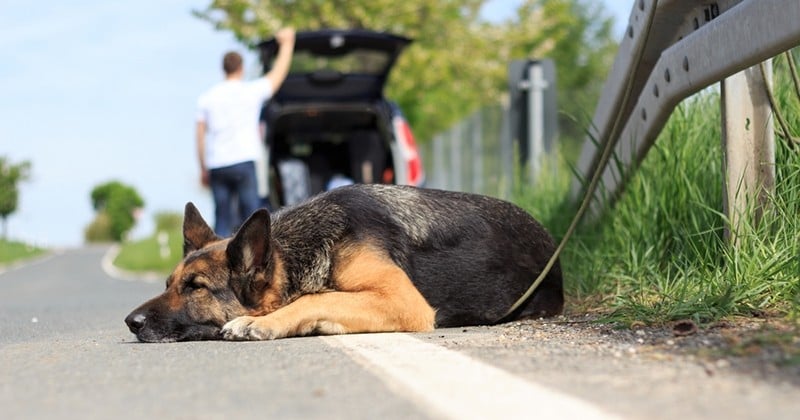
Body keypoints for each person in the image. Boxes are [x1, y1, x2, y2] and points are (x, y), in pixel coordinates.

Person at [195, 28, 295, 237]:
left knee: (222, 218)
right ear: (241, 68)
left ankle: (219, 264)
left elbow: (200, 136)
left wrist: (203, 168)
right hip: (243, 161)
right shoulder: (250, 92)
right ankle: (257, 266)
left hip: (218, 165)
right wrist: (287, 44)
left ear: (224, 69)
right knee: (252, 219)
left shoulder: (207, 98)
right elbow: (277, 76)